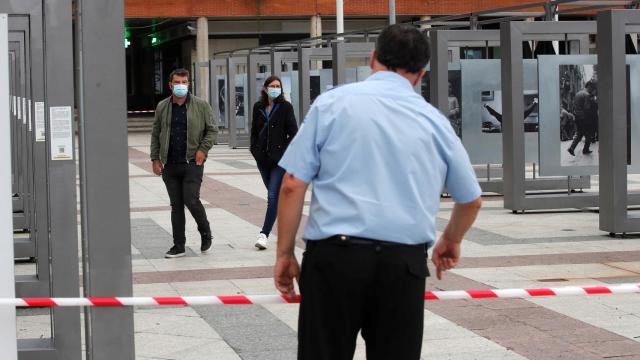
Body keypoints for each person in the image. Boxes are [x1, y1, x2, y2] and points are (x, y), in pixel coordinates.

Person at [274, 24, 482, 360]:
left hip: (334, 260)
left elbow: (292, 184)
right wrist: (451, 239)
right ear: (421, 74)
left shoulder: (331, 105)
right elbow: (471, 199)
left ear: (373, 58)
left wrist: (285, 254)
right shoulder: (434, 121)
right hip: (403, 265)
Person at [150, 68, 218, 258]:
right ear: (170, 85)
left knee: (191, 199)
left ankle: (205, 232)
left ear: (189, 84)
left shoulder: (201, 105)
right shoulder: (163, 106)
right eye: (177, 82)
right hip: (170, 164)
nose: (181, 86)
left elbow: (212, 130)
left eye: (184, 82)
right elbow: (156, 133)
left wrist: (203, 150)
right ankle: (178, 245)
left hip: (192, 163)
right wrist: (155, 158)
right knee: (176, 205)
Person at [250, 76, 298, 250]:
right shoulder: (258, 107)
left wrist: (284, 153)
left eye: (278, 86)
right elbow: (254, 130)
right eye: (272, 86)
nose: (275, 89)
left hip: (279, 161)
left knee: (272, 196)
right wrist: (254, 150)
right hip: (262, 159)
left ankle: (264, 234)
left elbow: (294, 133)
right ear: (265, 88)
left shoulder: (286, 107)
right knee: (275, 197)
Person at [568, 79, 598, 156]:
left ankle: (572, 148)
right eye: (592, 88)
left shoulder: (578, 93)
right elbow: (587, 108)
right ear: (589, 86)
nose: (593, 90)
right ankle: (585, 149)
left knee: (580, 134)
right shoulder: (587, 95)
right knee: (588, 134)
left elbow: (574, 106)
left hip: (577, 117)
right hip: (584, 118)